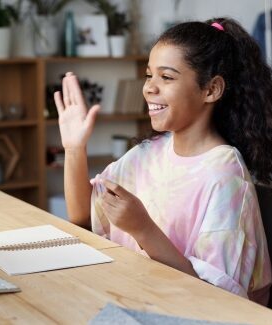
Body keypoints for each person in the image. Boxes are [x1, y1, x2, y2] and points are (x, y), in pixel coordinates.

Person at [54, 17, 272, 306]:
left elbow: (217, 300)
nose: (149, 88)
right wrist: (74, 148)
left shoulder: (226, 178)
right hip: (137, 299)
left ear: (211, 90)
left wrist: (143, 229)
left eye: (166, 77)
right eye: (148, 75)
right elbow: (82, 217)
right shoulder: (147, 153)